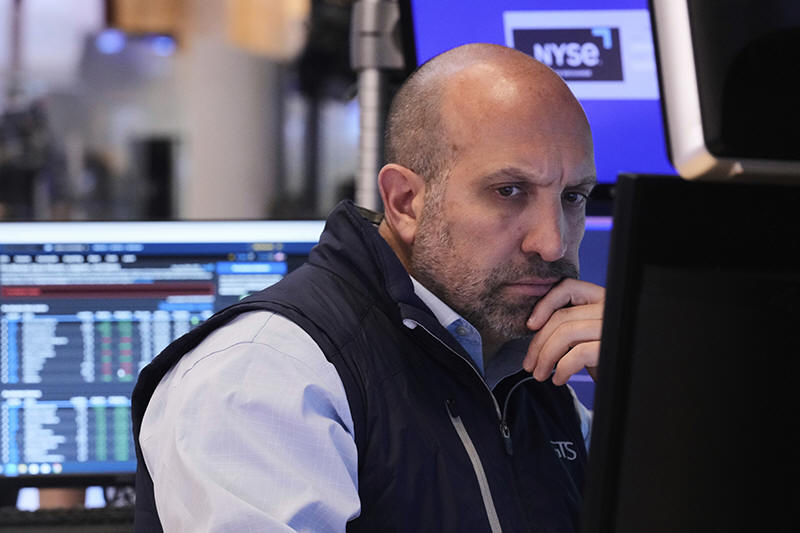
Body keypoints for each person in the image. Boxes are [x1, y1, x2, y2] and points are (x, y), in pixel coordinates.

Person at [132, 42, 604, 533]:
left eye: (573, 197)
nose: (552, 242)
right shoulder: (266, 373)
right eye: (509, 191)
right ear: (405, 202)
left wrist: (643, 396)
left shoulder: (529, 376)